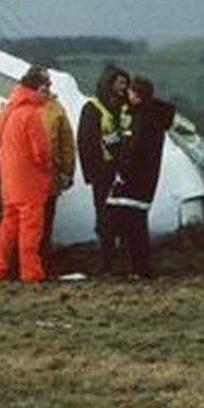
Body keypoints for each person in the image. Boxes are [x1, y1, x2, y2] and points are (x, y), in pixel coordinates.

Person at [106, 76, 176, 279]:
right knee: (135, 223)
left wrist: (121, 169)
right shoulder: (152, 117)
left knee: (133, 225)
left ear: (137, 95)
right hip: (144, 181)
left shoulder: (143, 120)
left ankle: (139, 268)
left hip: (134, 181)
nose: (127, 95)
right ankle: (138, 267)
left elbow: (135, 151)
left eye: (130, 92)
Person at [0, 66, 53, 282]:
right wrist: (47, 169)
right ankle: (31, 273)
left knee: (8, 226)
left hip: (9, 181)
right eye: (45, 90)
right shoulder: (32, 115)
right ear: (35, 89)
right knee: (31, 229)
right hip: (29, 182)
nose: (48, 95)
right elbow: (42, 152)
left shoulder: (6, 112)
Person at [76, 64, 131, 273]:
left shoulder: (128, 107)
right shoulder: (92, 108)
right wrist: (91, 175)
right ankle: (106, 259)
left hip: (125, 170)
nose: (123, 87)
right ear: (109, 84)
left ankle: (125, 257)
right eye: (120, 83)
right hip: (103, 171)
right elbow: (85, 142)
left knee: (125, 214)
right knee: (105, 215)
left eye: (126, 83)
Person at [40, 78, 77, 266]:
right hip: (28, 176)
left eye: (47, 84)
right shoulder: (19, 106)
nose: (45, 88)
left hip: (51, 175)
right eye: (41, 83)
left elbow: (67, 141)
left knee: (47, 216)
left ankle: (43, 255)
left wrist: (68, 170)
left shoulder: (56, 108)